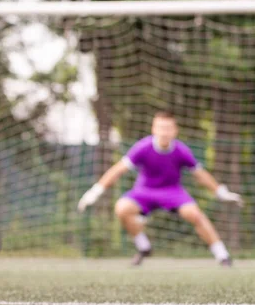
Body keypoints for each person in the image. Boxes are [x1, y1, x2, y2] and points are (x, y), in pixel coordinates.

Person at [78, 111, 243, 266]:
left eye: (168, 128)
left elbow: (200, 174)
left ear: (175, 131)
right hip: (144, 191)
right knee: (121, 208)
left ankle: (222, 255)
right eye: (161, 128)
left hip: (172, 192)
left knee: (195, 214)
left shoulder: (181, 150)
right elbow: (118, 169)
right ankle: (144, 247)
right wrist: (95, 191)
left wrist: (221, 192)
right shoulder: (143, 147)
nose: (164, 132)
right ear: (153, 129)